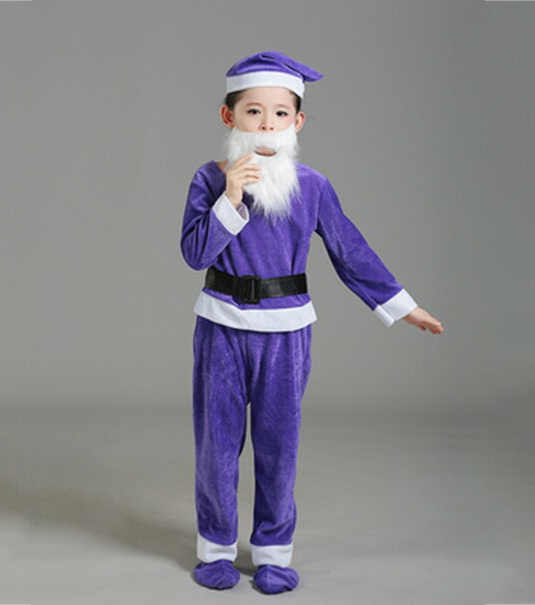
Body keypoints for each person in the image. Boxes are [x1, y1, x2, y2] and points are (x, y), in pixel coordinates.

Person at [180, 51, 444, 595]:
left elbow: (351, 250)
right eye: (254, 112)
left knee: (279, 446)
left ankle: (273, 554)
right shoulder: (209, 179)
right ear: (229, 116)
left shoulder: (313, 186)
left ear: (297, 122)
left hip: (286, 334)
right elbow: (194, 253)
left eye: (280, 114)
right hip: (221, 329)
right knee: (216, 446)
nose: (266, 125)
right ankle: (216, 550)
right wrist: (231, 198)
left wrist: (402, 305)